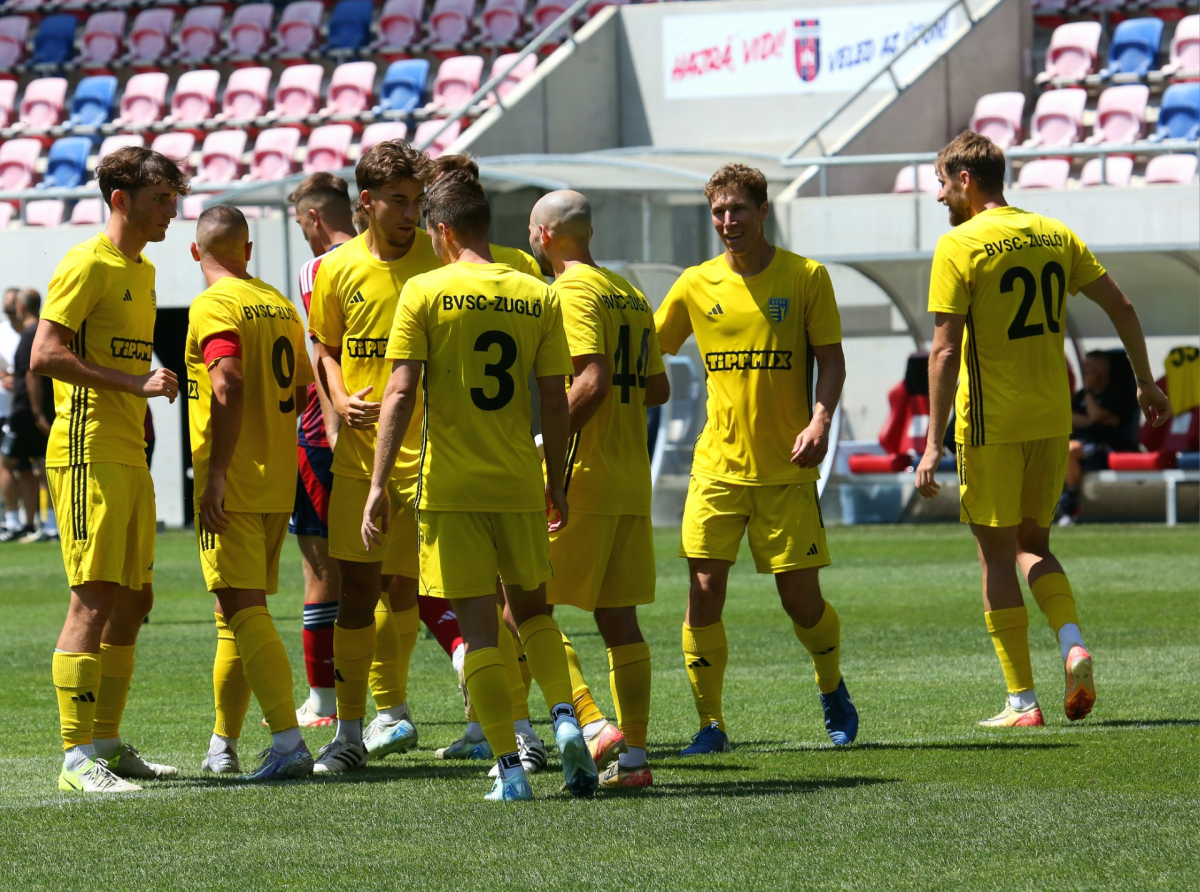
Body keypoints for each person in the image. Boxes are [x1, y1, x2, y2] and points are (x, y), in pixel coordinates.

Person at [915, 131, 1172, 727]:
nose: (939, 197)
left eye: (942, 184)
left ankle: (1021, 701)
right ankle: (1072, 641)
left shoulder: (960, 244)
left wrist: (932, 440)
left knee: (996, 557)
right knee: (1037, 545)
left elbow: (944, 350)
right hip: (1053, 418)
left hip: (990, 424)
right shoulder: (1056, 233)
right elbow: (1123, 307)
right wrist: (1145, 383)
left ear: (966, 180)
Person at [362, 171, 598, 801]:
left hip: (451, 487)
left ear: (441, 232)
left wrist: (378, 484)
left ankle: (510, 768)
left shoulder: (425, 291)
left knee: (479, 627)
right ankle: (568, 717)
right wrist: (556, 480)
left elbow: (400, 393)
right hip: (520, 479)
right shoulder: (538, 294)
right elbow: (554, 396)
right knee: (535, 613)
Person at [654, 162, 858, 754]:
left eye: (738, 209)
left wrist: (820, 419)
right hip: (716, 466)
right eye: (718, 211)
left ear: (763, 211)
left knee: (801, 600)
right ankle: (710, 725)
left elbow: (833, 361)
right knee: (702, 590)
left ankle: (831, 688)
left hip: (785, 469)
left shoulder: (806, 277)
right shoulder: (695, 283)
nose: (727, 221)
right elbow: (651, 348)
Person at [31, 145, 189, 792]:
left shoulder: (144, 270)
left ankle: (106, 741)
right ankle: (75, 760)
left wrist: (144, 389)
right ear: (120, 200)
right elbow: (45, 354)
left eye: (175, 201)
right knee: (94, 598)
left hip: (129, 452)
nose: (172, 213)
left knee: (136, 598)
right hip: (86, 449)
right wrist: (134, 383)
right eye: (161, 201)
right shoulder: (85, 262)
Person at [305, 141, 441, 774]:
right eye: (398, 200)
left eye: (417, 200)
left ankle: (473, 722)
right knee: (358, 590)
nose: (411, 213)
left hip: (439, 456)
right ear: (366, 202)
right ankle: (352, 733)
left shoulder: (439, 260)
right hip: (364, 458)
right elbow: (324, 345)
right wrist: (335, 395)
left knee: (428, 589)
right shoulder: (336, 269)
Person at [528, 189, 669, 788]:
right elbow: (656, 388)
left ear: (542, 236)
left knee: (519, 602)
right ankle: (634, 759)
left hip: (582, 476)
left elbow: (594, 380)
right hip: (630, 478)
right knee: (621, 621)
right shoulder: (628, 292)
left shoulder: (572, 291)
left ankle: (588, 719)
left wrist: (545, 447)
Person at [187, 205, 316, 780]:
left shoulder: (213, 304)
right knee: (232, 612)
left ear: (196, 253)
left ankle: (288, 741)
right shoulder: (278, 303)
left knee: (245, 609)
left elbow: (228, 381)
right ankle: (223, 742)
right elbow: (306, 387)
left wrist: (215, 474)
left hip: (234, 480)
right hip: (275, 480)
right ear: (248, 249)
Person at [286, 171, 357, 728]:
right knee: (403, 573)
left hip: (329, 430)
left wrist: (331, 425)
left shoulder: (322, 266)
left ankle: (324, 702)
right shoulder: (388, 260)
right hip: (399, 425)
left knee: (321, 569)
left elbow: (322, 348)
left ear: (314, 218)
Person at [1057, 350, 1139, 525]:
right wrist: (1089, 419)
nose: (1086, 370)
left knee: (1070, 449)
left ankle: (1070, 499)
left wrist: (1088, 392)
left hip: (1103, 445)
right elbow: (1067, 416)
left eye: (1092, 367)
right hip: (1081, 442)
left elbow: (1095, 416)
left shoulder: (1117, 393)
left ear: (1105, 368)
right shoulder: (1080, 396)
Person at [1, 289, 54, 541]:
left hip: (25, 411)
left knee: (5, 464)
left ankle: (12, 522)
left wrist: (35, 412)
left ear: (21, 308)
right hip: (41, 411)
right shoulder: (43, 331)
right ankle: (44, 524)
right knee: (40, 467)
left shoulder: (29, 334)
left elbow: (32, 374)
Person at [0, 287, 22, 540]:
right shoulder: (2, 331)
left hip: (24, 408)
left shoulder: (31, 332)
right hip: (4, 409)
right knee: (6, 466)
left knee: (35, 468)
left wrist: (16, 379)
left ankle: (44, 521)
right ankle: (13, 521)